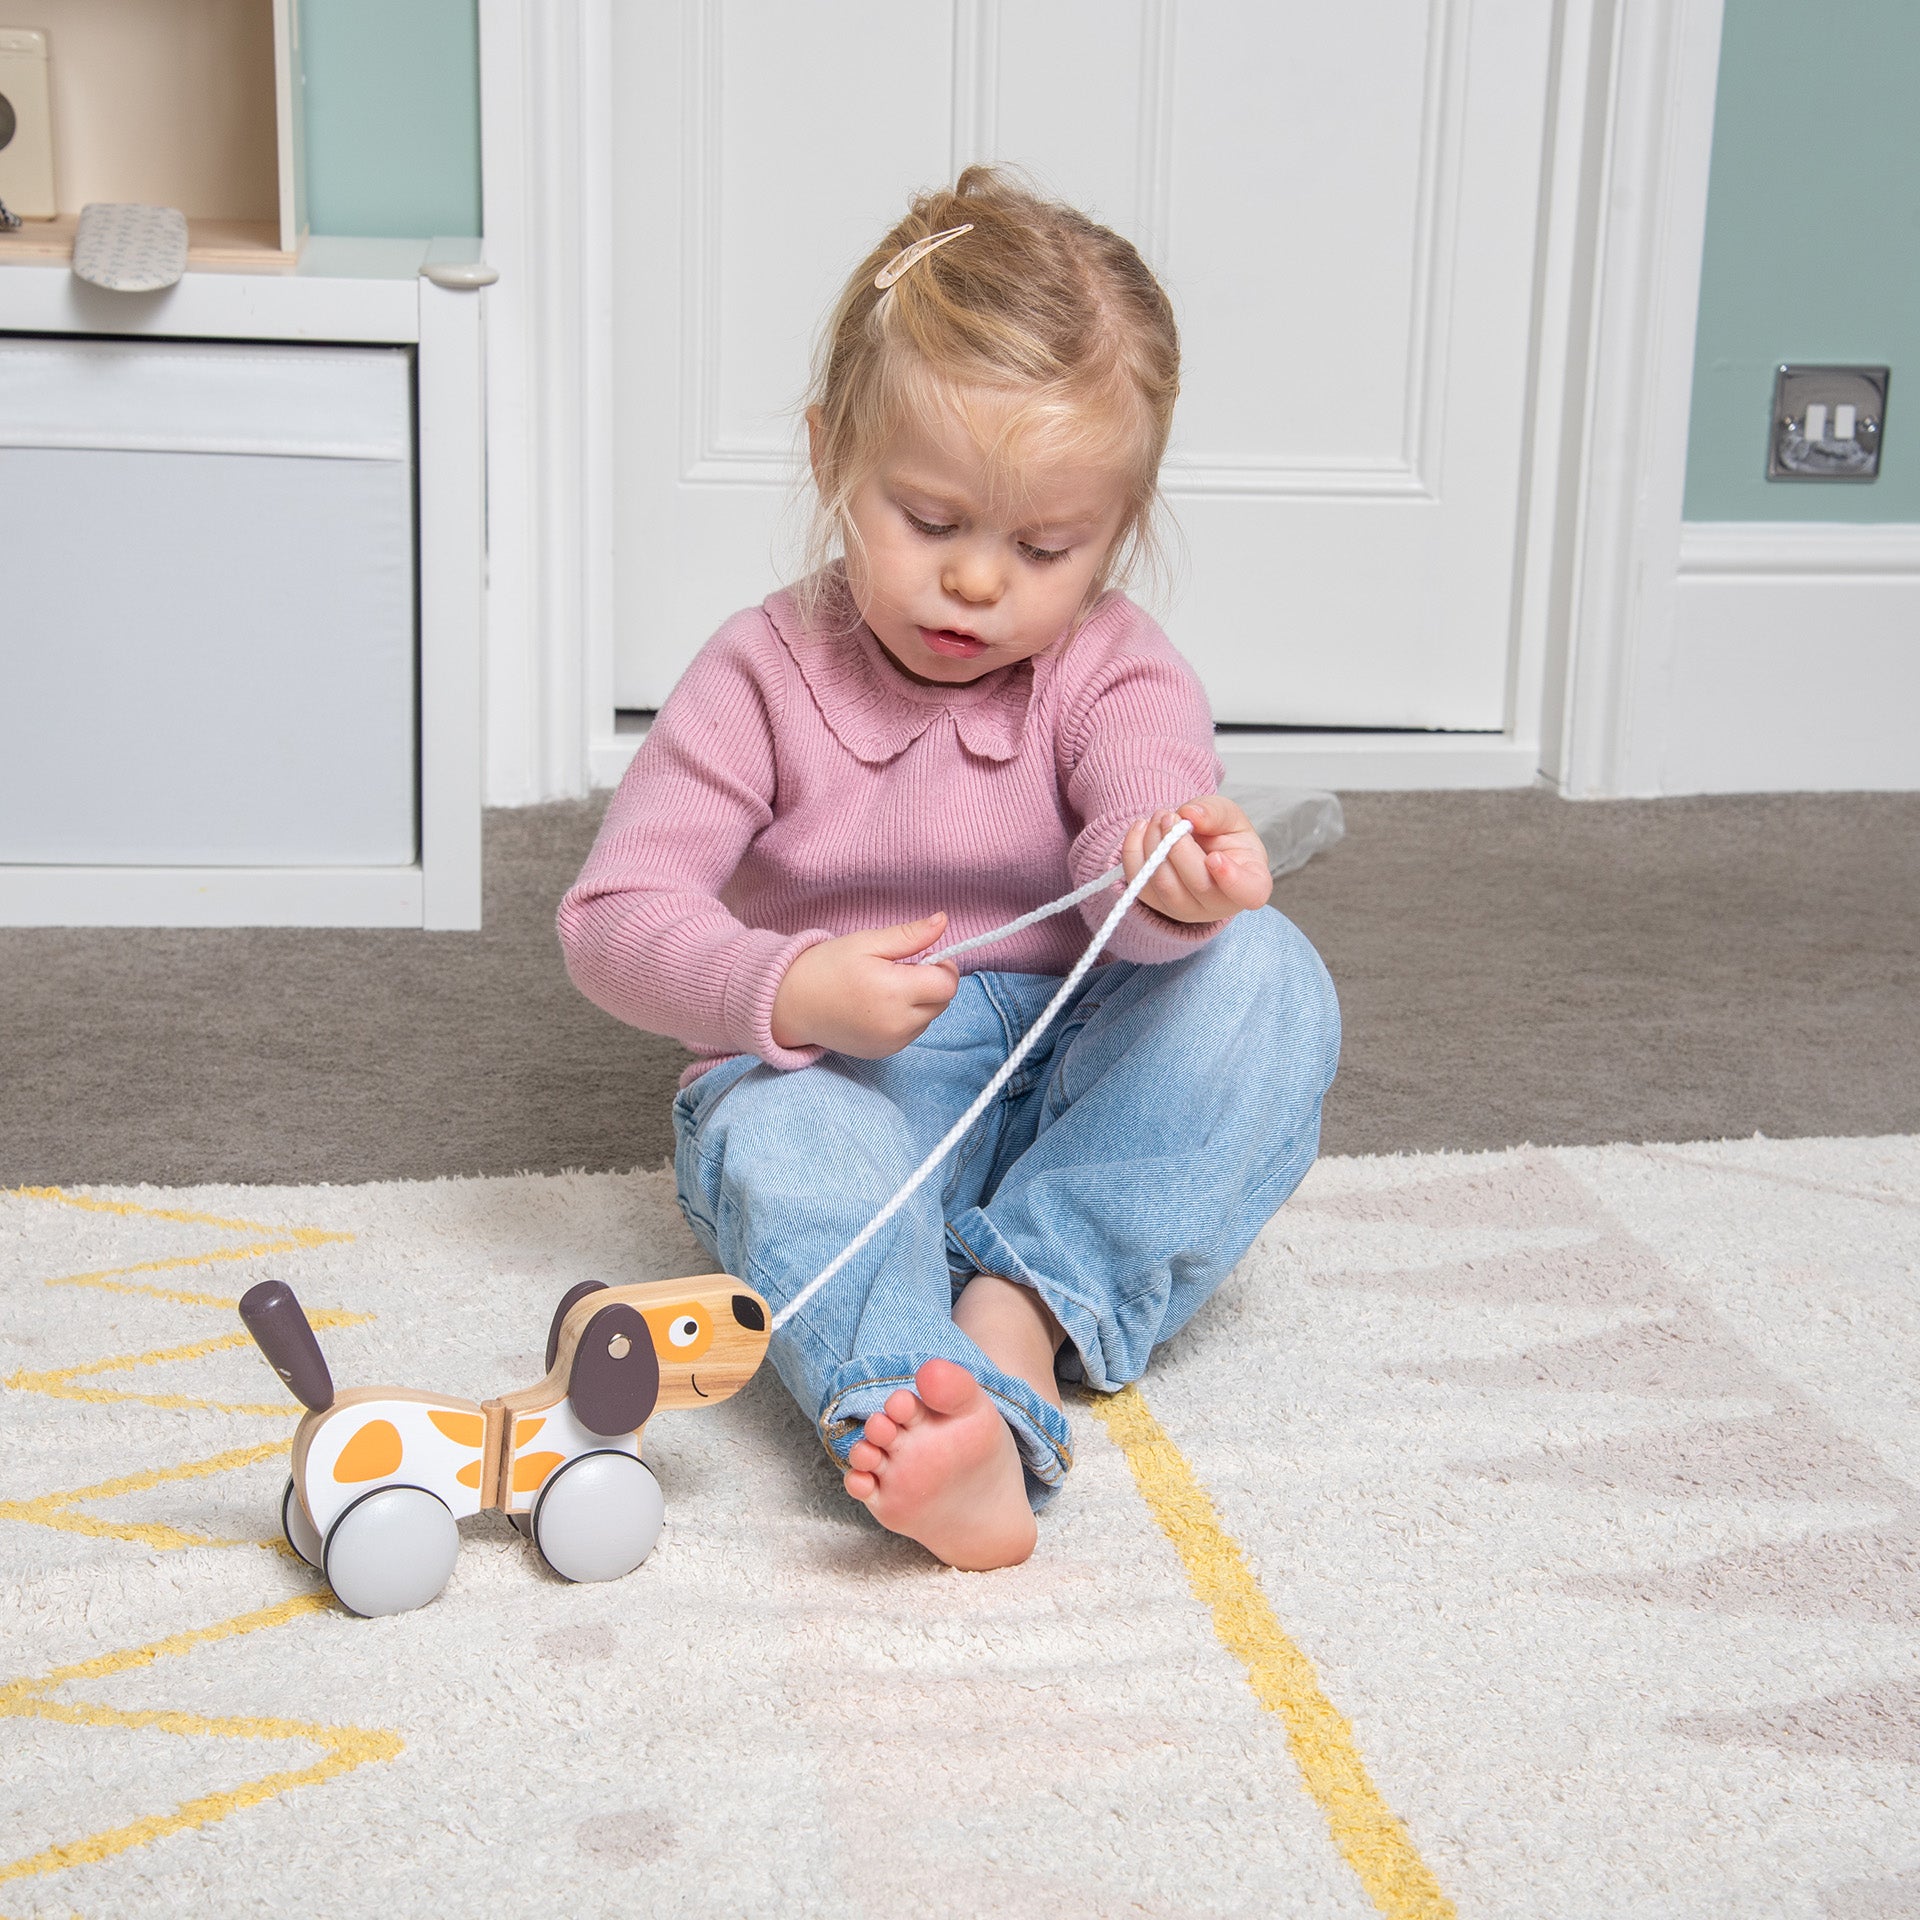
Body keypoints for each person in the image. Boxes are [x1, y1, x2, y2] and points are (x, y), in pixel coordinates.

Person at [559, 167, 1339, 1571]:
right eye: (929, 522)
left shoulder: (1116, 669)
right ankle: (933, 1409)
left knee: (1267, 978)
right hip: (850, 1086)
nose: (979, 582)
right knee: (781, 1146)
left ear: (1118, 528)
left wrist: (1169, 882)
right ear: (830, 460)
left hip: (1069, 1079)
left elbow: (1130, 825)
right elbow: (613, 920)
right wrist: (789, 989)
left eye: (1045, 547)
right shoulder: (759, 673)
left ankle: (1022, 1311)